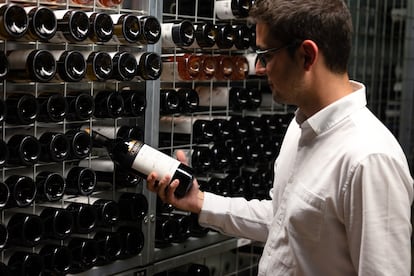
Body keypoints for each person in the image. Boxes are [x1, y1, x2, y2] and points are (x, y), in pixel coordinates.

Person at [147, 0, 414, 275]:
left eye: (267, 55)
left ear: (307, 55)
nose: (260, 69)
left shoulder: (370, 159)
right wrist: (200, 201)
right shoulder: (301, 125)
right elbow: (284, 220)